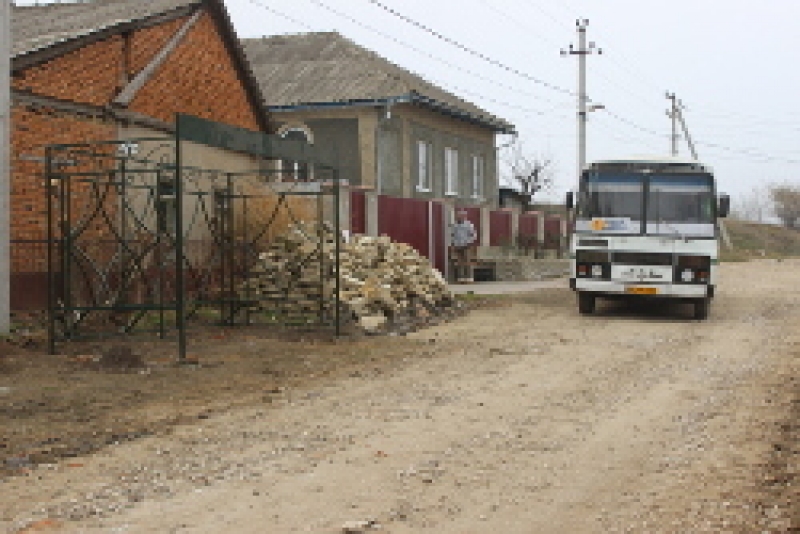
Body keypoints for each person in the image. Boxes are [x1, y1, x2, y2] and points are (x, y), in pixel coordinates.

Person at [451, 209, 477, 283]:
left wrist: (469, 242)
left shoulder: (469, 225)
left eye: (460, 216)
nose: (459, 217)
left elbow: (474, 235)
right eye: (458, 216)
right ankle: (461, 278)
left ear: (464, 217)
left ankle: (469, 278)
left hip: (466, 245)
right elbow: (452, 235)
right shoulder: (455, 225)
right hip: (458, 245)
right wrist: (453, 244)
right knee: (459, 262)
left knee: (467, 261)